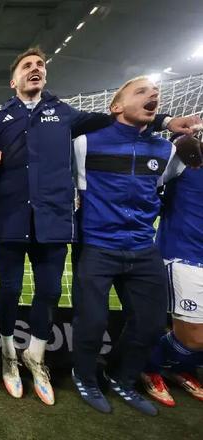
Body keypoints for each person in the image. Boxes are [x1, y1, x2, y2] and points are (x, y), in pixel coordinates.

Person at [0, 46, 200, 406]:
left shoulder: (65, 113)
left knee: (50, 291)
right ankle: (8, 356)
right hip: (10, 220)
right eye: (27, 65)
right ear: (14, 81)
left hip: (53, 220)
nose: (35, 68)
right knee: (10, 290)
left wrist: (163, 121)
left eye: (40, 64)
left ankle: (35, 358)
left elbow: (113, 118)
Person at [70, 76, 187, 416]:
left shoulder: (167, 151)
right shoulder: (84, 144)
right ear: (116, 106)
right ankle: (85, 376)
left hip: (142, 247)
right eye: (142, 91)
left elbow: (163, 187)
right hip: (96, 246)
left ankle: (120, 376)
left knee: (151, 323)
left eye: (155, 92)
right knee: (92, 321)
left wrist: (167, 123)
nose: (153, 93)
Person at [141, 143, 203, 406]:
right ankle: (149, 367)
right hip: (185, 255)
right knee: (195, 338)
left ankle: (179, 368)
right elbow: (144, 182)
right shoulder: (185, 158)